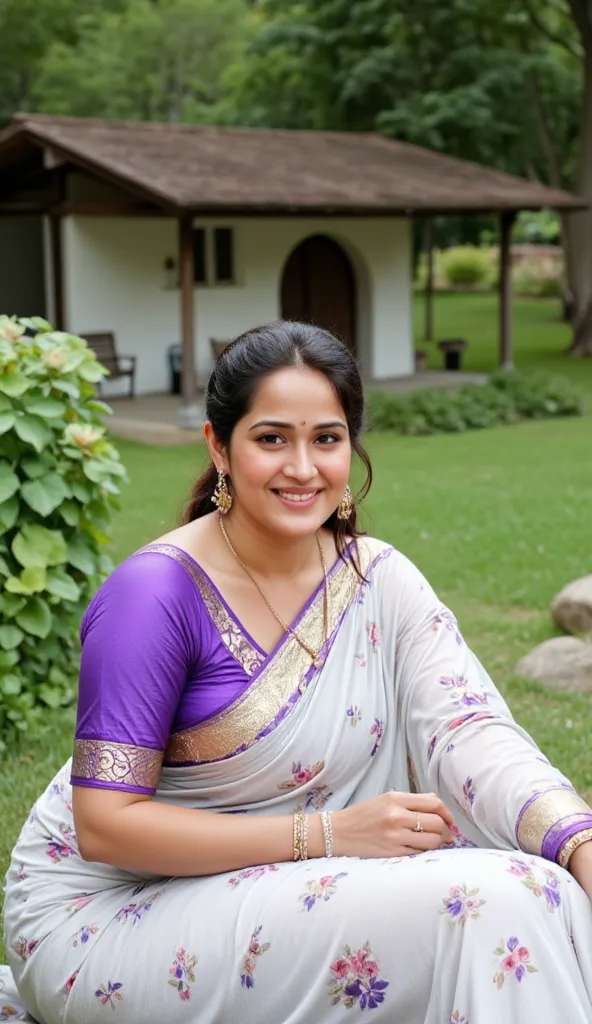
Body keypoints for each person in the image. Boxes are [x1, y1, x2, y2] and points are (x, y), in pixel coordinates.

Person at [2, 320, 592, 1024]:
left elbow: (467, 729)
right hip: (108, 915)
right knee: (491, 903)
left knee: (548, 889)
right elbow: (106, 827)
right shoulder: (154, 596)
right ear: (219, 446)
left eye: (327, 439)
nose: (304, 468)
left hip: (268, 884)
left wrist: (576, 839)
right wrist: (331, 835)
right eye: (272, 438)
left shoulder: (378, 580)